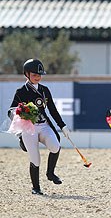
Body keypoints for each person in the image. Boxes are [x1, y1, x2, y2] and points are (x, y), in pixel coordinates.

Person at [8, 59, 70, 195]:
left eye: (39, 75)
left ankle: (50, 173)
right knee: (35, 159)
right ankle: (36, 188)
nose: (38, 77)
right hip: (29, 128)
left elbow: (52, 110)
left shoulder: (44, 90)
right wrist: (21, 112)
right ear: (27, 74)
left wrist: (63, 126)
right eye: (34, 74)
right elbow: (11, 110)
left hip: (43, 125)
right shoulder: (21, 91)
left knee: (55, 146)